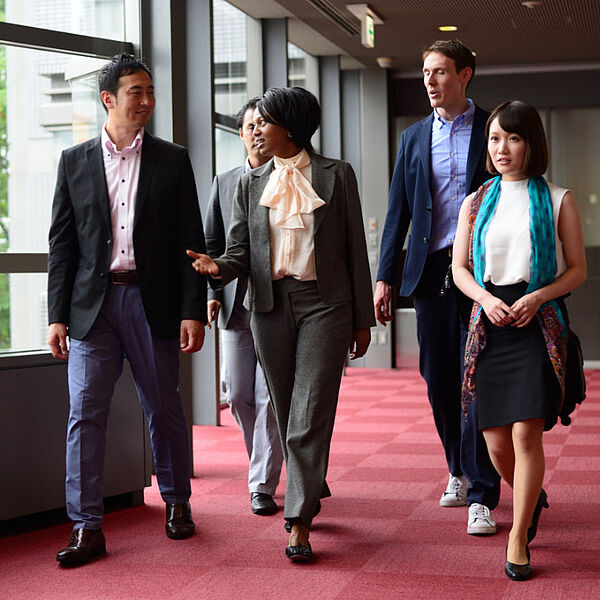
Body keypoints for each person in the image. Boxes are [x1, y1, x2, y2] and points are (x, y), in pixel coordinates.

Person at [188, 87, 375, 562]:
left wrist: (362, 321)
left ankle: (298, 520)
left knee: (308, 412)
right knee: (287, 408)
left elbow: (356, 249)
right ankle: (310, 485)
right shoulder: (251, 184)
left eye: (264, 122)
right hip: (268, 307)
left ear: (289, 127)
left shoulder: (337, 175)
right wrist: (217, 269)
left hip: (325, 306)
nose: (255, 130)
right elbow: (238, 253)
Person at [47, 53, 207, 566]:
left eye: (150, 91)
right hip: (92, 308)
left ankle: (177, 503)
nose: (147, 101)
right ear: (108, 98)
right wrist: (56, 315)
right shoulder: (73, 161)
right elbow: (63, 247)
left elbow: (190, 241)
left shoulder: (172, 158)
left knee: (164, 407)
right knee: (84, 415)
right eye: (136, 91)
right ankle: (86, 527)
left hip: (152, 302)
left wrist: (193, 309)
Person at [452, 100, 586, 580]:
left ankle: (517, 535)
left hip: (536, 319)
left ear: (531, 143)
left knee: (526, 432)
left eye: (512, 138)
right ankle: (533, 497)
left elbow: (578, 270)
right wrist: (485, 300)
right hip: (490, 321)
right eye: (494, 138)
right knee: (494, 444)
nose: (502, 148)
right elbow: (459, 269)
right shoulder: (475, 201)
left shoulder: (557, 199)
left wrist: (538, 297)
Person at [374, 39, 501, 534]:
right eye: (426, 72)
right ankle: (457, 468)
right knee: (438, 376)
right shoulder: (412, 137)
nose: (430, 80)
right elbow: (397, 212)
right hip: (427, 271)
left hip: (481, 272)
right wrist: (385, 276)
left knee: (478, 378)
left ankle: (482, 488)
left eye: (441, 72)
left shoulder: (493, 129)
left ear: (465, 75)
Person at [204, 98, 283, 516]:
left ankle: (261, 483)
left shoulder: (286, 178)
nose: (257, 132)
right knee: (237, 394)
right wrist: (214, 294)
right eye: (250, 125)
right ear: (241, 133)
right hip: (236, 303)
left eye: (263, 125)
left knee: (268, 395)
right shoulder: (225, 181)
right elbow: (214, 244)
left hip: (275, 304)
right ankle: (271, 457)